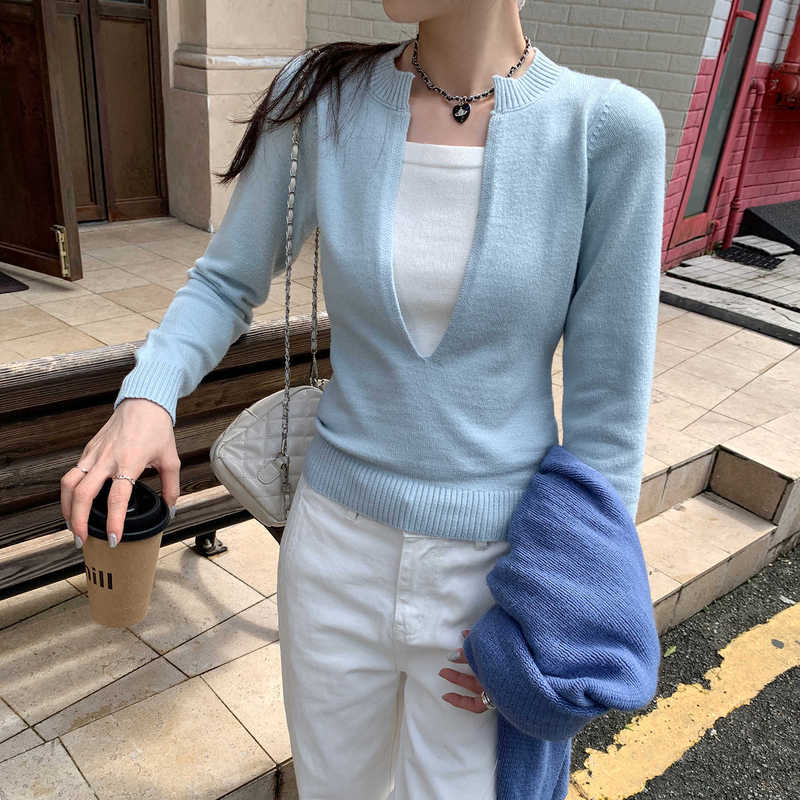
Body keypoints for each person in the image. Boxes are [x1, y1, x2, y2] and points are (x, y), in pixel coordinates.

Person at [60, 0, 666, 797]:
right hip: (332, 555)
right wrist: (148, 396)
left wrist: (555, 618)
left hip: (493, 574)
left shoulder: (608, 129)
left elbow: (607, 416)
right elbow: (227, 279)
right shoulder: (322, 99)